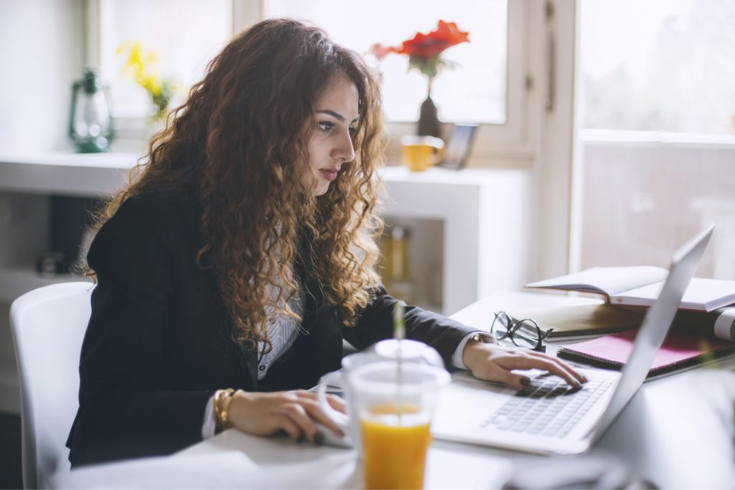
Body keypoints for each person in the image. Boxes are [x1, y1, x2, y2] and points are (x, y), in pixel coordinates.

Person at [66, 18, 586, 467]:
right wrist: (232, 407)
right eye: (324, 126)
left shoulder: (301, 215)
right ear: (258, 124)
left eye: (353, 129)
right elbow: (106, 416)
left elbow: (370, 309)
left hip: (277, 467)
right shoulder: (149, 229)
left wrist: (472, 348)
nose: (348, 152)